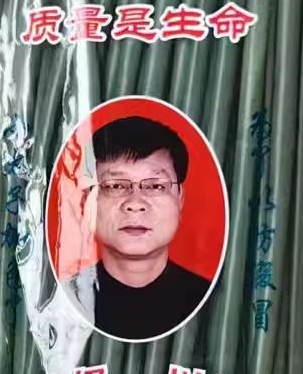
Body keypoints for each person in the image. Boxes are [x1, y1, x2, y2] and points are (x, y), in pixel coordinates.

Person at [67, 115, 213, 340]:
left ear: (180, 198)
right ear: (87, 202)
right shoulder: (62, 303)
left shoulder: (215, 302)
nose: (135, 204)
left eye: (155, 186)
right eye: (115, 185)